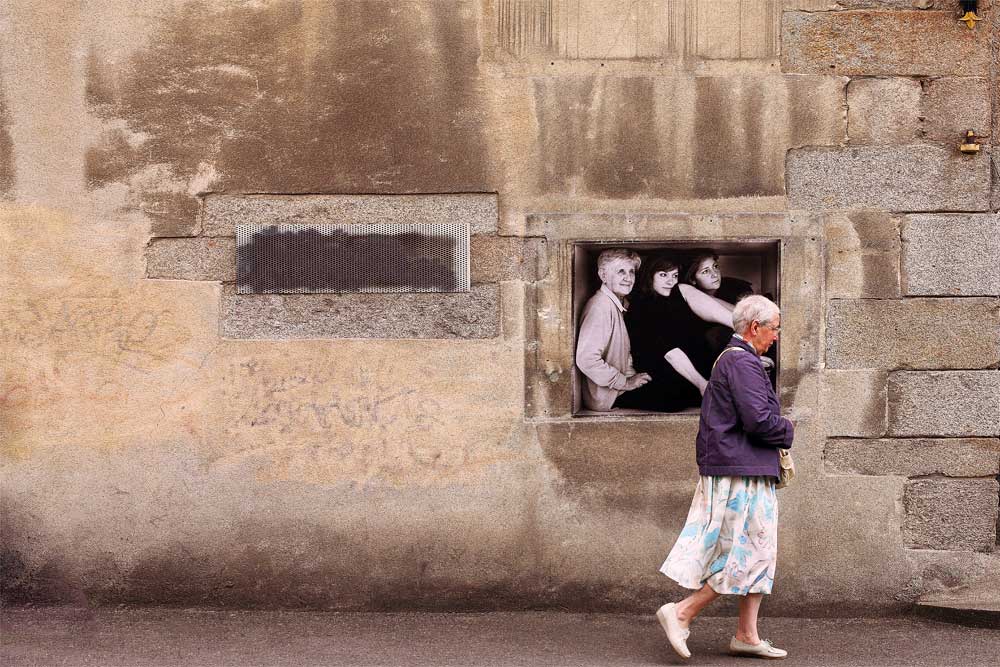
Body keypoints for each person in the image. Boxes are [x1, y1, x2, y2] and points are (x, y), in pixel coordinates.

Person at [655, 295, 793, 660]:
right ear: (754, 328)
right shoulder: (742, 364)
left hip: (743, 468)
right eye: (775, 328)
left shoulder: (738, 360)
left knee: (760, 551)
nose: (776, 335)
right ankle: (681, 612)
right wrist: (788, 429)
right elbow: (759, 421)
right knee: (742, 551)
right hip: (738, 471)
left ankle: (747, 635)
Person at [625, 255, 734, 409]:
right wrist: (703, 385)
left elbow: (710, 307)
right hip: (668, 381)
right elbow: (670, 351)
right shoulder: (643, 308)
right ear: (650, 276)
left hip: (686, 373)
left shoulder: (667, 299)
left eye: (675, 275)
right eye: (663, 275)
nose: (671, 281)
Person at [574, 249, 651, 411]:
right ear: (603, 276)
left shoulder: (620, 304)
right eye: (621, 271)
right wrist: (626, 383)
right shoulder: (600, 306)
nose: (628, 278)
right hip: (611, 395)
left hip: (622, 387)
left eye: (631, 272)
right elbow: (586, 359)